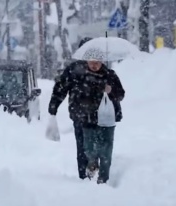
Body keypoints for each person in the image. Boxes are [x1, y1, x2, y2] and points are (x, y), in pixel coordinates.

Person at [48, 49, 125, 184]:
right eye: (91, 61)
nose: (94, 65)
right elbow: (60, 89)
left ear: (102, 60)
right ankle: (85, 178)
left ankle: (102, 178)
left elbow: (120, 94)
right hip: (81, 117)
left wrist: (110, 90)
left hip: (104, 120)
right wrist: (53, 107)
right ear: (86, 58)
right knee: (84, 149)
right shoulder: (74, 71)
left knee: (104, 149)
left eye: (97, 62)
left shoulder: (108, 75)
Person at [48, 37, 94, 180]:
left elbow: (60, 89)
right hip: (96, 114)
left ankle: (84, 173)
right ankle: (95, 170)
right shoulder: (100, 69)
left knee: (81, 145)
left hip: (79, 113)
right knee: (96, 142)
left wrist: (53, 107)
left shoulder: (73, 70)